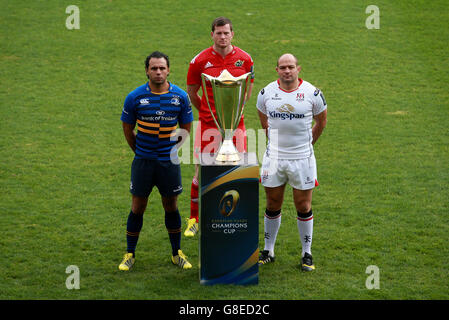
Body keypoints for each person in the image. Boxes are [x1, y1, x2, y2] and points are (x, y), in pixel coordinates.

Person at [118, 51, 194, 271]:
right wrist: (141, 150)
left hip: (168, 163)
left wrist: (172, 150)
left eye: (162, 68)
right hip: (143, 162)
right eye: (154, 68)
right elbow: (127, 128)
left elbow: (186, 128)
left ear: (169, 70)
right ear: (147, 71)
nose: (158, 72)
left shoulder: (179, 96)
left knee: (171, 206)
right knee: (138, 206)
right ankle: (130, 253)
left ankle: (176, 253)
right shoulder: (135, 97)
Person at [184, 16, 255, 237]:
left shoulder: (245, 59)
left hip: (236, 126)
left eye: (226, 33)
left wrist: (237, 112)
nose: (222, 37)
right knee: (201, 171)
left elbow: (247, 88)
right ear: (212, 34)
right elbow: (192, 91)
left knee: (238, 170)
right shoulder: (199, 61)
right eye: (218, 33)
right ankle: (194, 219)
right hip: (209, 127)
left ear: (232, 34)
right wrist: (207, 112)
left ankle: (235, 218)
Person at [256, 53, 327, 271]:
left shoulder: (312, 94)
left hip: (302, 159)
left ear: (298, 68)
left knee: (303, 205)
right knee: (272, 203)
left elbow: (321, 122)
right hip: (274, 158)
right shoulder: (266, 93)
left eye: (291, 67)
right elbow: (264, 122)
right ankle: (268, 250)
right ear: (276, 69)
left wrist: (307, 145)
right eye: (283, 67)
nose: (287, 71)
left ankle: (307, 253)